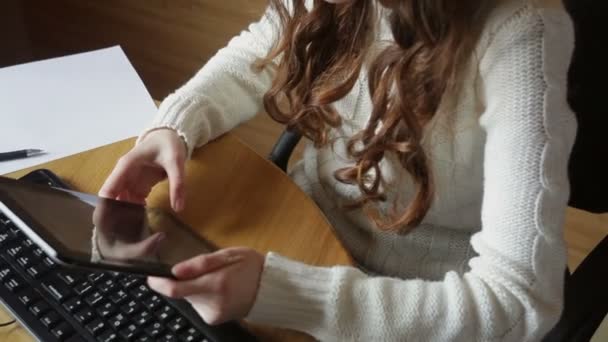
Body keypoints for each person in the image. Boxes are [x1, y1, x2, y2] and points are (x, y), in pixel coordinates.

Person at [99, 0, 577, 340]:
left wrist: (295, 297)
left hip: (423, 298)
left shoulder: (523, 30)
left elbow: (519, 302)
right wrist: (176, 125)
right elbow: (261, 52)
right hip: (305, 230)